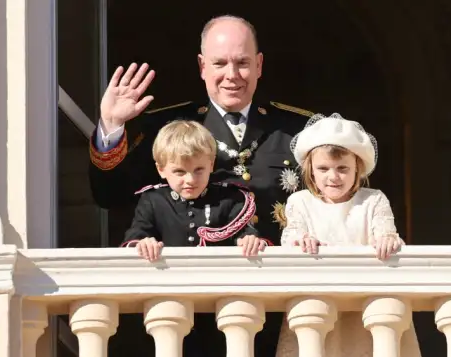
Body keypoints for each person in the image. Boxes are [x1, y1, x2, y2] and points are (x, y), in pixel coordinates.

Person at [89, 15, 310, 357]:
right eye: (220, 63)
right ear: (201, 66)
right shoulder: (167, 126)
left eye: (242, 63)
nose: (231, 75)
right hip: (188, 315)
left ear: (260, 65)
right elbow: (108, 195)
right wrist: (112, 126)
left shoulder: (301, 130)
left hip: (278, 305)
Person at [274, 113, 422, 357]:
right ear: (311, 170)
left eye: (343, 168)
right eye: (323, 169)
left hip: (364, 305)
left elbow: (385, 233)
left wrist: (386, 239)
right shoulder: (299, 202)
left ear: (358, 169)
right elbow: (292, 236)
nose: (333, 177)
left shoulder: (373, 200)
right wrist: (300, 241)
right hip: (317, 302)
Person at [119, 120, 269, 357]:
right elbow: (137, 234)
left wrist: (251, 240)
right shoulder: (152, 200)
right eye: (179, 171)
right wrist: (144, 242)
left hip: (220, 301)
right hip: (171, 298)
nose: (189, 179)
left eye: (198, 170)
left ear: (211, 164)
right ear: (161, 169)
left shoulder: (231, 199)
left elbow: (247, 232)